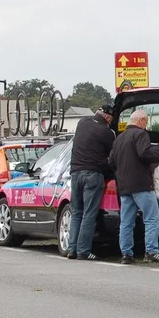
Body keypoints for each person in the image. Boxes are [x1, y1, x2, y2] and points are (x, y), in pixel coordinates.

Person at [110, 109, 159, 264]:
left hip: (124, 186)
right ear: (141, 120)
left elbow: (111, 162)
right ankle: (151, 252)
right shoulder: (141, 134)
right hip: (142, 185)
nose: (147, 124)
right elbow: (144, 153)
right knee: (152, 218)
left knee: (127, 222)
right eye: (146, 121)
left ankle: (126, 255)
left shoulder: (119, 139)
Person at [65, 104, 116, 260]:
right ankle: (84, 251)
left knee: (77, 213)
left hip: (75, 173)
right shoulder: (107, 132)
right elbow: (112, 156)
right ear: (107, 117)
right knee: (89, 214)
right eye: (111, 119)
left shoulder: (82, 123)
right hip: (93, 174)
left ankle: (71, 249)